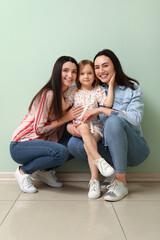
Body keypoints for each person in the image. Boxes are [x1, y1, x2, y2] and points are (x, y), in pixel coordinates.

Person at [67, 49, 150, 201]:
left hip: (135, 149)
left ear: (115, 66)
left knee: (113, 120)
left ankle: (121, 182)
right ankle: (109, 172)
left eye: (105, 66)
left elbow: (135, 118)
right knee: (74, 143)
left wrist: (102, 109)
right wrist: (69, 126)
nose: (101, 71)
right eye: (97, 67)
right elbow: (79, 113)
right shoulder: (97, 90)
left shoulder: (131, 88)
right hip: (107, 148)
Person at [10, 56, 83, 194]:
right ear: (57, 72)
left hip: (44, 144)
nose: (70, 75)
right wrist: (66, 117)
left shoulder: (69, 95)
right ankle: (23, 172)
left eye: (74, 71)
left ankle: (43, 171)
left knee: (77, 144)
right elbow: (39, 129)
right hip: (21, 145)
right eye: (65, 70)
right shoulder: (48, 93)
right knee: (61, 152)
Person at [64, 60, 115, 199]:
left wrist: (110, 85)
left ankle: (94, 180)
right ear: (78, 76)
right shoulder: (74, 90)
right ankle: (99, 161)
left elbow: (108, 104)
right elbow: (64, 107)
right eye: (82, 73)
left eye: (89, 73)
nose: (86, 76)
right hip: (80, 126)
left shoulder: (98, 90)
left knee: (89, 145)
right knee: (84, 126)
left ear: (94, 75)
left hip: (96, 127)